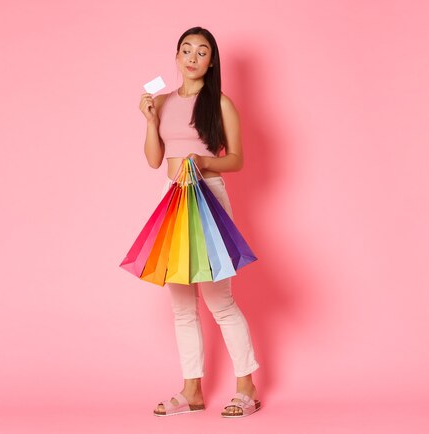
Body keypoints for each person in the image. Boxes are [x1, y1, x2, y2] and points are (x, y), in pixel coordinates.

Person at [139, 26, 261, 418]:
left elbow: (237, 159)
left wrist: (203, 161)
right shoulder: (161, 101)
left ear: (212, 61)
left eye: (202, 52)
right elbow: (155, 161)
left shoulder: (221, 104)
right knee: (181, 306)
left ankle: (247, 387)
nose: (192, 58)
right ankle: (191, 391)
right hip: (172, 200)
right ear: (176, 57)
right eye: (186, 50)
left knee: (219, 301)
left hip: (207, 198)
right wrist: (148, 120)